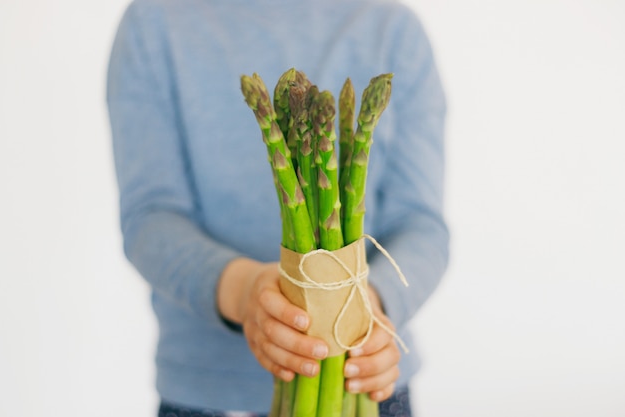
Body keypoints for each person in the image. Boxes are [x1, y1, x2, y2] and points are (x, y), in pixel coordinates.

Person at [107, 0, 449, 415]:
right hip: (207, 393)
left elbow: (420, 224)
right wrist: (245, 292)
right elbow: (150, 219)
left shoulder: (392, 28)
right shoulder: (153, 23)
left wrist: (369, 307)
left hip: (367, 383)